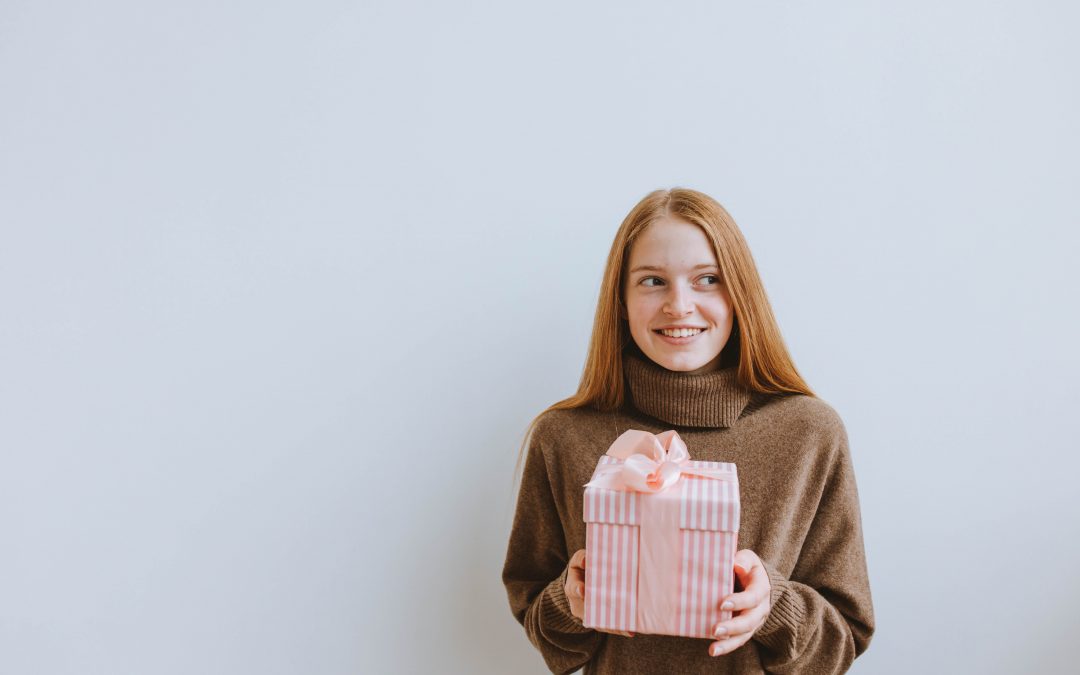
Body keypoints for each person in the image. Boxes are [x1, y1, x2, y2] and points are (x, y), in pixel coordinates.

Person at [501, 187, 875, 674]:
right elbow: (536, 612)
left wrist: (773, 608)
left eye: (707, 280)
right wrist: (570, 601)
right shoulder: (563, 437)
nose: (679, 305)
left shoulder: (808, 434)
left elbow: (845, 640)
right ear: (620, 301)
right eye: (652, 281)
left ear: (739, 292)